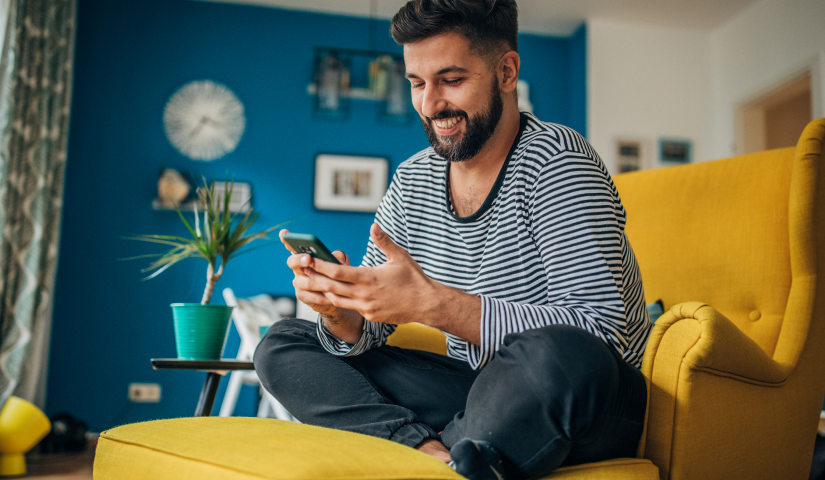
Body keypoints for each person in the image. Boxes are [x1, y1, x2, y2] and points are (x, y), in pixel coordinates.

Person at [254, 1, 652, 479]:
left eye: (451, 80)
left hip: (587, 395)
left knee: (555, 353)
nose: (428, 104)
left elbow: (601, 335)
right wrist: (342, 311)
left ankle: (444, 447)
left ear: (506, 71)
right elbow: (371, 328)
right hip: (480, 390)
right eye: (417, 83)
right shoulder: (413, 180)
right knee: (284, 343)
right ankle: (436, 457)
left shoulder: (559, 164)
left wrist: (433, 305)